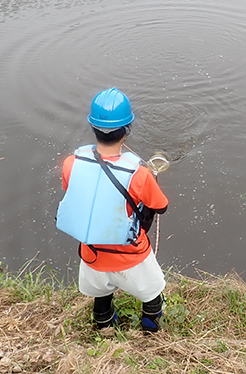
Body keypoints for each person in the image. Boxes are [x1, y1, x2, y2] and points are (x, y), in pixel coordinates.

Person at [56, 88, 169, 332]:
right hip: (131, 255)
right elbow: (161, 206)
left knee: (101, 297)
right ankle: (151, 331)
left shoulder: (71, 163)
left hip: (92, 254)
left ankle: (104, 328)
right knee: (152, 295)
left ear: (92, 127)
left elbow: (74, 191)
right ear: (127, 131)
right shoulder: (139, 173)